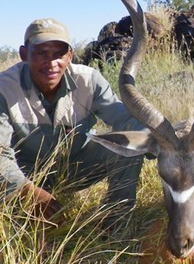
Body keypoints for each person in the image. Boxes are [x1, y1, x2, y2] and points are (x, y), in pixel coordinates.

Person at [0, 18, 144, 228]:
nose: (51, 63)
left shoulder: (89, 80)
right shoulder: (4, 88)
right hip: (26, 173)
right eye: (41, 53)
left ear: (70, 56)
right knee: (20, 226)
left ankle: (116, 224)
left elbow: (127, 120)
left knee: (129, 146)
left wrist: (165, 144)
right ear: (24, 54)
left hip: (77, 166)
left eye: (59, 54)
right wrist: (26, 191)